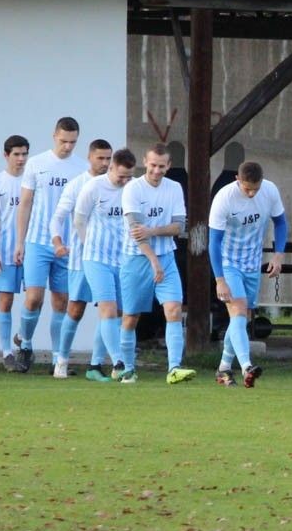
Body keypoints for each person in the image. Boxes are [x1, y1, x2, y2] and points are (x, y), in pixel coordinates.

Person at [117, 142, 195, 385]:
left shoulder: (174, 188)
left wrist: (154, 230)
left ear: (169, 165)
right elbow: (136, 233)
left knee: (173, 309)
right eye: (153, 165)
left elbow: (178, 226)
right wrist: (153, 261)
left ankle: (174, 368)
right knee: (131, 317)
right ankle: (127, 368)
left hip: (166, 257)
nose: (157, 171)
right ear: (145, 162)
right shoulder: (133, 189)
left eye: (162, 166)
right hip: (136, 259)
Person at [13, 116, 84, 372]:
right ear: (55, 136)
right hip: (38, 242)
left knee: (62, 301)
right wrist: (19, 242)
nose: (67, 146)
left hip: (66, 247)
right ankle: (26, 344)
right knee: (33, 298)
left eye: (73, 142)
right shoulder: (36, 164)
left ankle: (58, 358)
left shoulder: (81, 168)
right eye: (64, 141)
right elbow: (25, 203)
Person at [209, 161, 288, 388]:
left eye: (256, 188)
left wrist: (278, 255)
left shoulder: (270, 191)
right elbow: (214, 242)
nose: (252, 193)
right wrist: (220, 279)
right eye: (247, 189)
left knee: (240, 317)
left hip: (252, 264)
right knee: (239, 309)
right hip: (228, 263)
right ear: (237, 180)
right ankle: (246, 367)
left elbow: (281, 222)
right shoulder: (224, 198)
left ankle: (224, 368)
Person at [49, 139, 113, 379]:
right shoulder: (78, 185)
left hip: (110, 260)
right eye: (100, 158)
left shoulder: (117, 185)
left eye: (108, 159)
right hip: (81, 259)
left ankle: (95, 365)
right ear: (90, 157)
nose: (105, 163)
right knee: (75, 309)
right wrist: (57, 242)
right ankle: (61, 361)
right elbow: (58, 217)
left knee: (110, 310)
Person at [73, 147, 137, 381]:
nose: (125, 180)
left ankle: (94, 366)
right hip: (96, 258)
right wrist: (87, 244)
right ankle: (120, 362)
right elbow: (79, 219)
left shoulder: (134, 187)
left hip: (123, 259)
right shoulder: (93, 187)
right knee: (107, 309)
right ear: (111, 168)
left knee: (117, 313)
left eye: (129, 176)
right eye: (121, 176)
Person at [0, 135, 30, 371]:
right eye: (16, 154)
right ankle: (7, 353)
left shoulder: (32, 181)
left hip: (32, 251)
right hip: (6, 251)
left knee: (35, 299)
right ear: (6, 155)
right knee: (6, 299)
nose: (21, 159)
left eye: (24, 154)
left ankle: (22, 336)